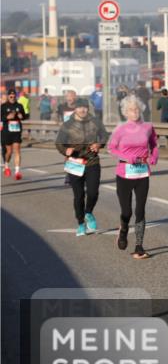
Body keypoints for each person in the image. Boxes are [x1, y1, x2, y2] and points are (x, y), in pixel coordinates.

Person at [107, 95, 158, 258]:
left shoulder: (148, 126)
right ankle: (123, 230)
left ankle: (139, 246)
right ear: (125, 112)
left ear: (140, 110)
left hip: (142, 172)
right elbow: (111, 148)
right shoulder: (120, 129)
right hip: (124, 172)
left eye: (136, 109)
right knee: (127, 211)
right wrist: (125, 156)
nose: (134, 112)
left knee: (140, 210)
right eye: (130, 110)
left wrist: (154, 156)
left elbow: (154, 144)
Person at [56, 99, 109, 236]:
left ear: (87, 108)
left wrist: (99, 144)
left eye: (84, 107)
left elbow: (104, 135)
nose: (82, 110)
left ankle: (88, 212)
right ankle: (80, 223)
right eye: (79, 107)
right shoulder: (68, 124)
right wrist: (65, 151)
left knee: (93, 192)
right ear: (75, 109)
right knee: (78, 196)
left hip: (92, 161)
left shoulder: (96, 121)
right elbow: (59, 143)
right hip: (75, 163)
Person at [2, 89, 27, 180]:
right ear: (8, 96)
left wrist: (22, 116)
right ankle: (6, 165)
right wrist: (7, 117)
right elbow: (1, 117)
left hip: (16, 132)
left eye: (14, 96)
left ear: (16, 96)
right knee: (9, 152)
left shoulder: (19, 106)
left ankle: (17, 172)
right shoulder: (3, 106)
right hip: (7, 132)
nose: (12, 98)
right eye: (10, 96)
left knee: (17, 151)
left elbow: (24, 116)